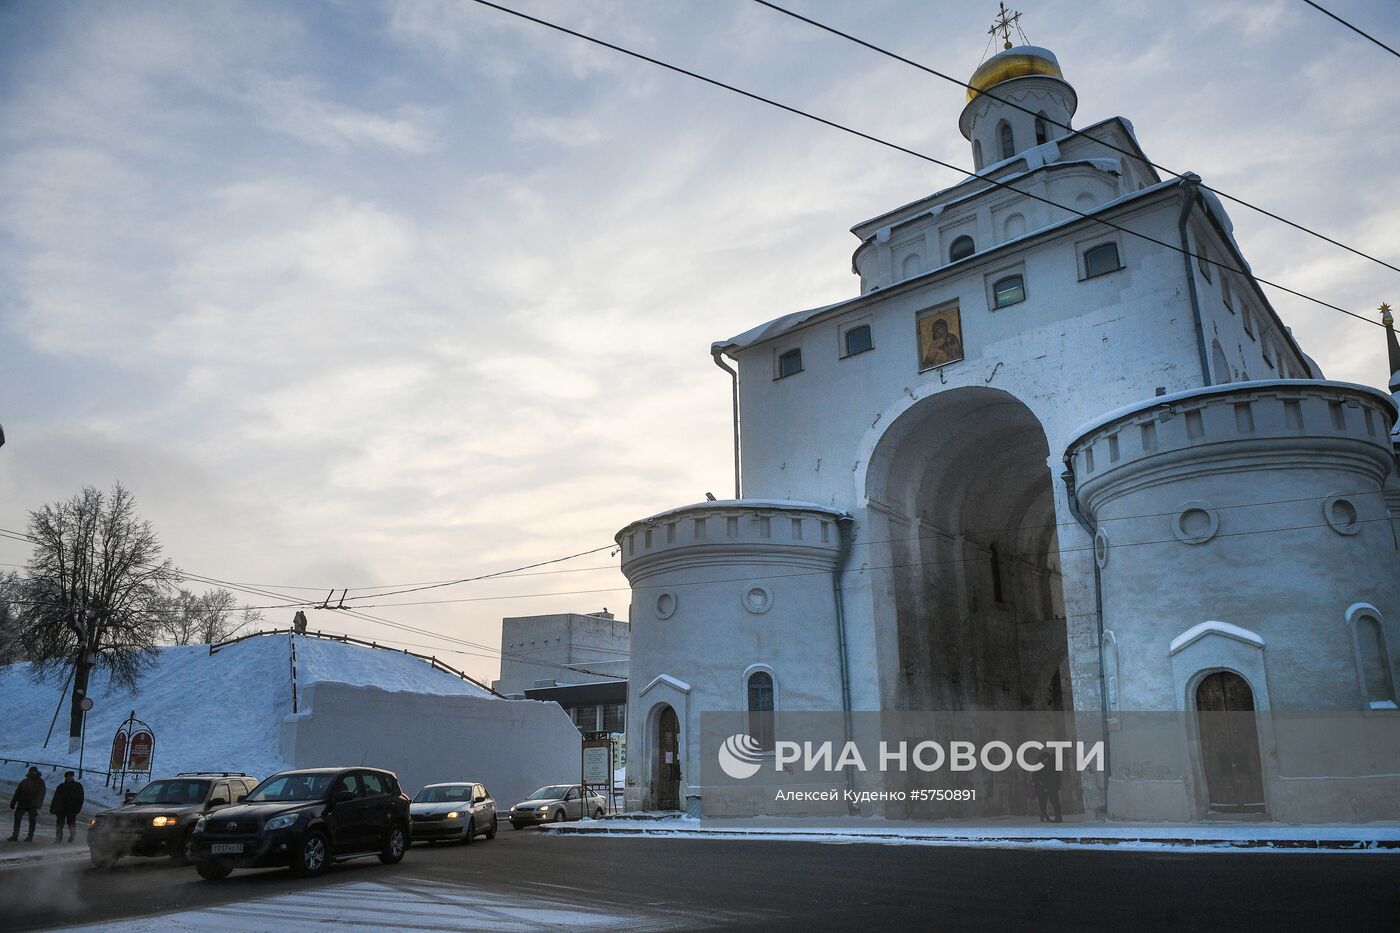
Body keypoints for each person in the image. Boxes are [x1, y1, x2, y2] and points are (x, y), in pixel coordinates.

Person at [8, 766, 46, 842]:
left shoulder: (40, 782)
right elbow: (17, 792)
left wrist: (39, 803)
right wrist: (13, 802)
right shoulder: (24, 781)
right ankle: (15, 835)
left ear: (36, 772)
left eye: (33, 772)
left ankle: (30, 836)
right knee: (17, 819)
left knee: (32, 820)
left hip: (33, 804)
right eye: (31, 771)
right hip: (22, 803)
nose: (32, 773)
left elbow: (42, 793)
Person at [50, 771, 84, 844]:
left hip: (72, 809)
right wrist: (53, 807)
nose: (69, 778)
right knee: (59, 824)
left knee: (71, 823)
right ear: (65, 777)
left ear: (73, 777)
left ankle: (72, 836)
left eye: (70, 776)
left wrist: (77, 809)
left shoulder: (77, 786)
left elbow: (80, 799)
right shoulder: (61, 787)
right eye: (67, 777)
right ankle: (58, 838)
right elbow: (55, 798)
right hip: (61, 809)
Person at [1032, 748, 1062, 823]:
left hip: (1048, 787)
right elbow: (1036, 776)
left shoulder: (1049, 765)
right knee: (1043, 802)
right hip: (1042, 787)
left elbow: (1054, 776)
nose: (1045, 761)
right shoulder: (1042, 766)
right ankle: (1044, 816)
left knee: (1053, 802)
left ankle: (1053, 817)